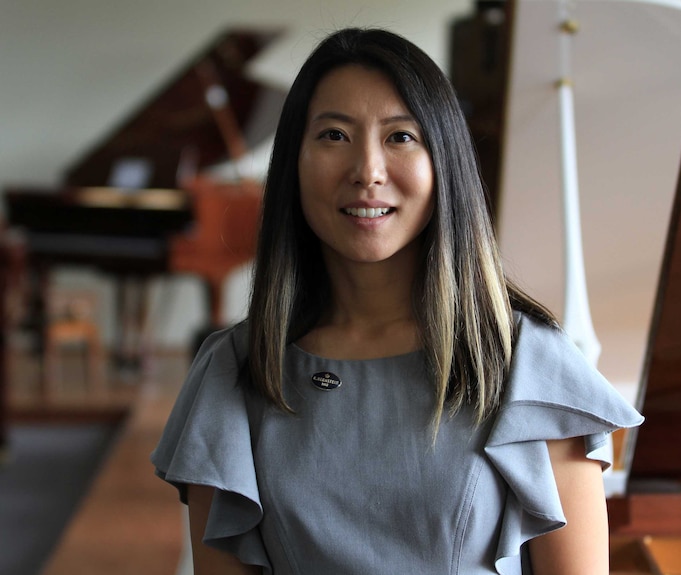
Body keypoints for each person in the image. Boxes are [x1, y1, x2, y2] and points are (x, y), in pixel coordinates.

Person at [151, 27, 643, 575]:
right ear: (293, 162)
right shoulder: (233, 372)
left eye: (401, 137)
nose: (367, 171)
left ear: (444, 162)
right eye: (334, 135)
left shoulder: (530, 365)